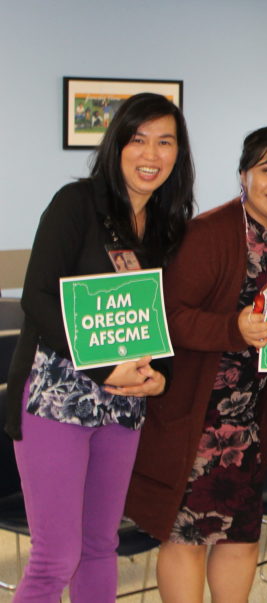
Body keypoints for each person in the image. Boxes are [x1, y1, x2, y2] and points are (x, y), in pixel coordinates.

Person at [6, 92, 195, 601]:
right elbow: (37, 298)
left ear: (179, 154)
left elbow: (158, 320)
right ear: (116, 145)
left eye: (165, 142)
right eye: (138, 140)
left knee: (99, 545)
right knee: (55, 555)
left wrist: (163, 376)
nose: (151, 154)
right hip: (57, 396)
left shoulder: (165, 227)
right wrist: (105, 368)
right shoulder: (77, 203)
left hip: (125, 400)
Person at [124, 126, 267, 602]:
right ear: (244, 176)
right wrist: (234, 328)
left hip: (251, 422)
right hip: (196, 417)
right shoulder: (207, 233)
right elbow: (167, 317)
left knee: (241, 534)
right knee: (186, 537)